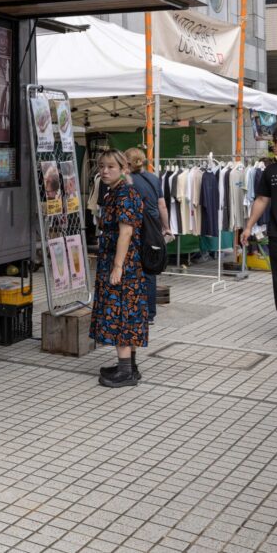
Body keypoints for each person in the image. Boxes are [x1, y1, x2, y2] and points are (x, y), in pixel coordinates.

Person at [91, 149, 148, 388]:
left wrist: (117, 266)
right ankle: (129, 366)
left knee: (121, 312)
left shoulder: (124, 193)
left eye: (110, 167)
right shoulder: (116, 192)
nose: (104, 171)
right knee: (128, 311)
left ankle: (125, 372)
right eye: (102, 166)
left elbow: (126, 231)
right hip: (125, 261)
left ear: (123, 168)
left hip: (123, 262)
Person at [124, 148, 171, 325]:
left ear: (127, 163)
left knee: (131, 267)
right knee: (149, 270)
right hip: (152, 228)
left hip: (133, 227)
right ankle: (149, 314)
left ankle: (132, 308)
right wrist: (165, 228)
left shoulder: (125, 180)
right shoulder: (153, 178)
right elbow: (162, 206)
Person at [239, 126, 277, 316]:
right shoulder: (270, 171)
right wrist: (248, 227)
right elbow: (262, 199)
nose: (274, 146)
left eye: (275, 142)